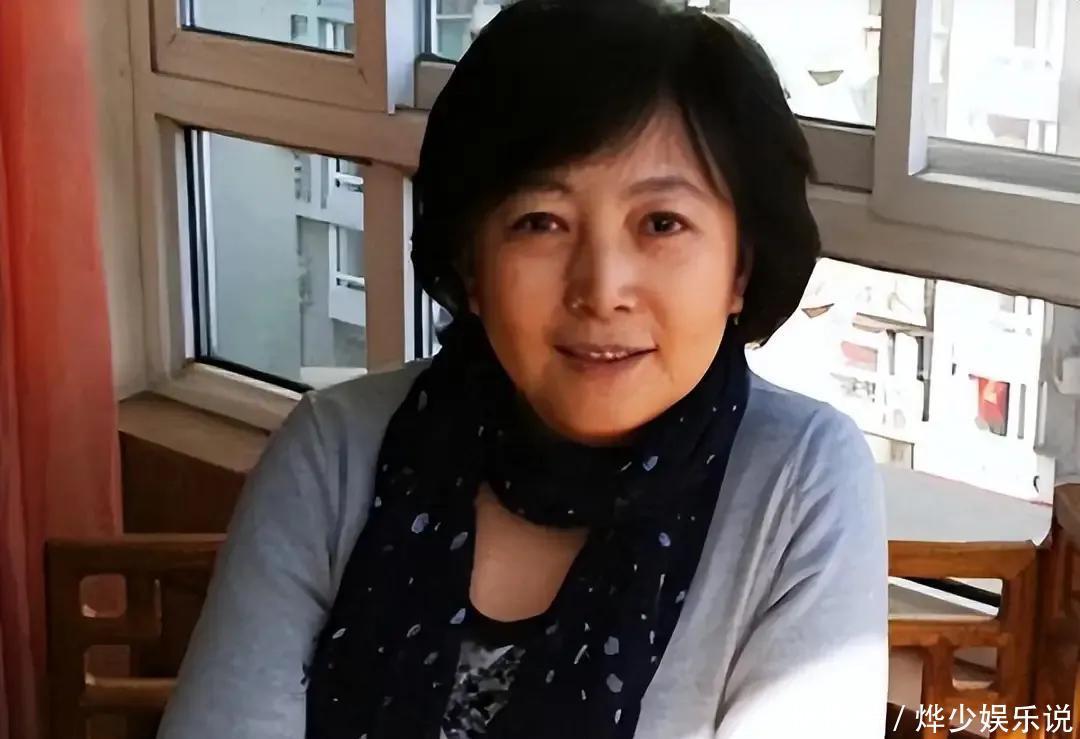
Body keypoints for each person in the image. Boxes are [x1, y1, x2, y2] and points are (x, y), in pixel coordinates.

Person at [157, 1, 887, 737]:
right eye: (541, 222)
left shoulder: (799, 483)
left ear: (741, 268)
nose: (601, 289)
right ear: (471, 264)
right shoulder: (337, 451)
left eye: (662, 223)